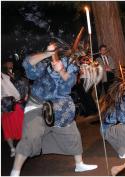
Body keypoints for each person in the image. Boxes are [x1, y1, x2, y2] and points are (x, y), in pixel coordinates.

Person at [10, 43, 97, 176]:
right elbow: (27, 64)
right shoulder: (44, 61)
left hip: (60, 106)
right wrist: (47, 54)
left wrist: (61, 71)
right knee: (31, 136)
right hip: (38, 104)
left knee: (72, 132)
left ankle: (79, 164)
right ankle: (15, 172)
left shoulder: (70, 63)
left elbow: (69, 84)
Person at [1, 58, 29, 158]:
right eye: (8, 63)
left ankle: (22, 147)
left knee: (21, 125)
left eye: (11, 63)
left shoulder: (14, 75)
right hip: (5, 107)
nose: (10, 64)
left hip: (16, 104)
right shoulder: (3, 74)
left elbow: (22, 86)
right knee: (8, 129)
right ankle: (12, 149)